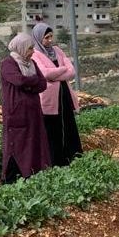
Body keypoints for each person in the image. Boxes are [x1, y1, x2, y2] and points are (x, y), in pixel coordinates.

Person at [0, 33, 51, 183]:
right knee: (16, 146)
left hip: (33, 114)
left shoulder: (31, 64)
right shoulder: (8, 63)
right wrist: (32, 83)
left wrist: (30, 83)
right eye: (30, 48)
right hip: (17, 114)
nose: (32, 52)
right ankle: (12, 179)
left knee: (33, 144)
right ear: (21, 48)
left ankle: (31, 175)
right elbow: (19, 81)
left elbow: (43, 84)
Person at [31, 23, 83, 166]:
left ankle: (73, 157)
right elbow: (45, 73)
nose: (49, 40)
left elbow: (72, 71)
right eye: (46, 37)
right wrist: (62, 70)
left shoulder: (57, 51)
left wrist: (55, 74)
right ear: (38, 38)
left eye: (51, 37)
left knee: (68, 124)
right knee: (52, 129)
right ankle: (56, 162)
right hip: (49, 98)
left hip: (64, 94)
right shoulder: (35, 55)